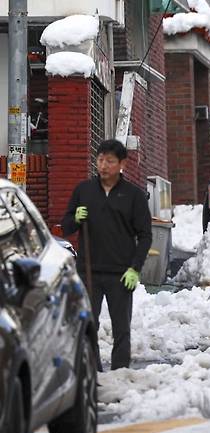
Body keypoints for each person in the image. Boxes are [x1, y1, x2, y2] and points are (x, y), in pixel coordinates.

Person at [62, 139, 152, 370]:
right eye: (100, 160)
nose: (103, 165)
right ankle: (92, 372)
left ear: (122, 163)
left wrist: (135, 268)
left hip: (121, 274)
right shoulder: (84, 191)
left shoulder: (133, 195)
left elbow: (145, 236)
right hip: (89, 271)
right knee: (88, 326)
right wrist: (75, 219)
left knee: (121, 328)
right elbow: (66, 226)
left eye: (109, 161)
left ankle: (120, 372)